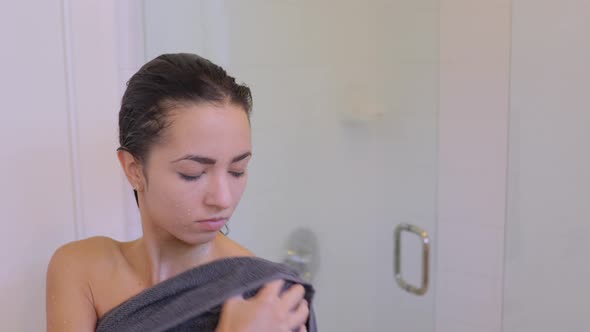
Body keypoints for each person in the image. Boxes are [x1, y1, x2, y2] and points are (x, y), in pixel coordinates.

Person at [46, 53, 311, 332]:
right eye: (192, 173)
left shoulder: (267, 297)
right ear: (134, 169)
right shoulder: (82, 269)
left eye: (237, 170)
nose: (223, 199)